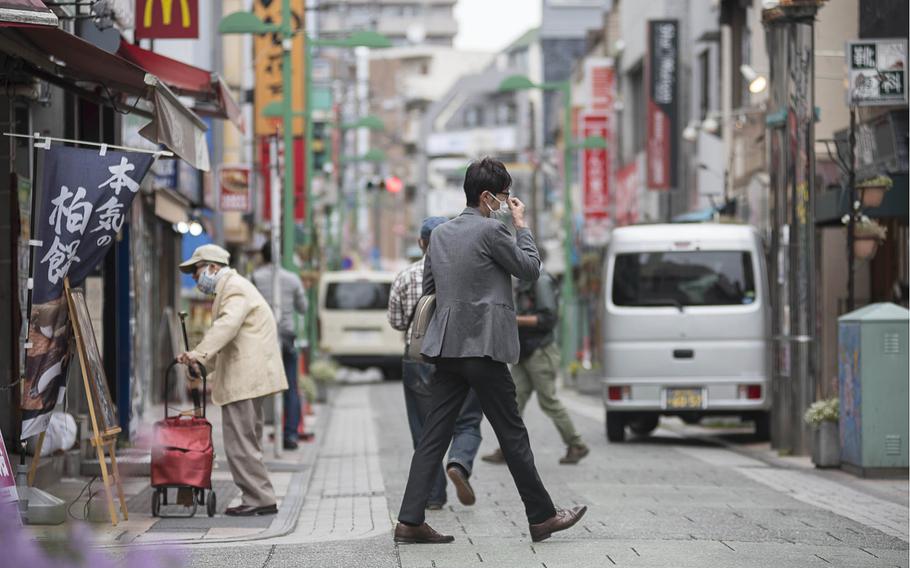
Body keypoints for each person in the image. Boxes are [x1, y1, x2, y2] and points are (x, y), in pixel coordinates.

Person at [394, 158, 587, 544]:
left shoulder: (443, 234)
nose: (505, 202)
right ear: (486, 196)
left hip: (446, 347)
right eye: (502, 196)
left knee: (433, 435)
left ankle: (410, 521)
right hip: (483, 347)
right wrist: (522, 226)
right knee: (512, 433)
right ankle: (542, 517)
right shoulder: (492, 231)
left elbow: (431, 287)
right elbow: (531, 269)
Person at [177, 244, 286, 517]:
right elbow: (230, 339)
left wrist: (198, 354)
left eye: (197, 271)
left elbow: (226, 327)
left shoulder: (234, 288)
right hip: (250, 377)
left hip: (245, 380)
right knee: (247, 441)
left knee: (240, 444)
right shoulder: (233, 288)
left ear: (214, 268)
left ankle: (258, 498)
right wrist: (201, 364)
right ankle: (260, 496)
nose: (194, 278)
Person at [388, 217, 483, 510]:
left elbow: (396, 321)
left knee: (424, 430)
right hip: (461, 355)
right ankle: (459, 461)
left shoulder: (406, 277)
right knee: (467, 420)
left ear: (421, 243)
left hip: (417, 359)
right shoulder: (468, 273)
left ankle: (433, 496)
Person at [482, 262, 590, 465]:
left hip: (540, 352)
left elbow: (548, 319)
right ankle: (508, 449)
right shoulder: (525, 279)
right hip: (524, 352)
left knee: (548, 401)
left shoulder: (541, 280)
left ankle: (576, 444)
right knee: (511, 401)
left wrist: (513, 320)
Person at [251, 241, 308, 450]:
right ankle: (291, 435)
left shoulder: (256, 278)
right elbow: (303, 307)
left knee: (256, 388)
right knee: (291, 387)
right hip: (287, 337)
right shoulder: (292, 279)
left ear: (263, 256)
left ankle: (256, 437)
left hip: (261, 338)